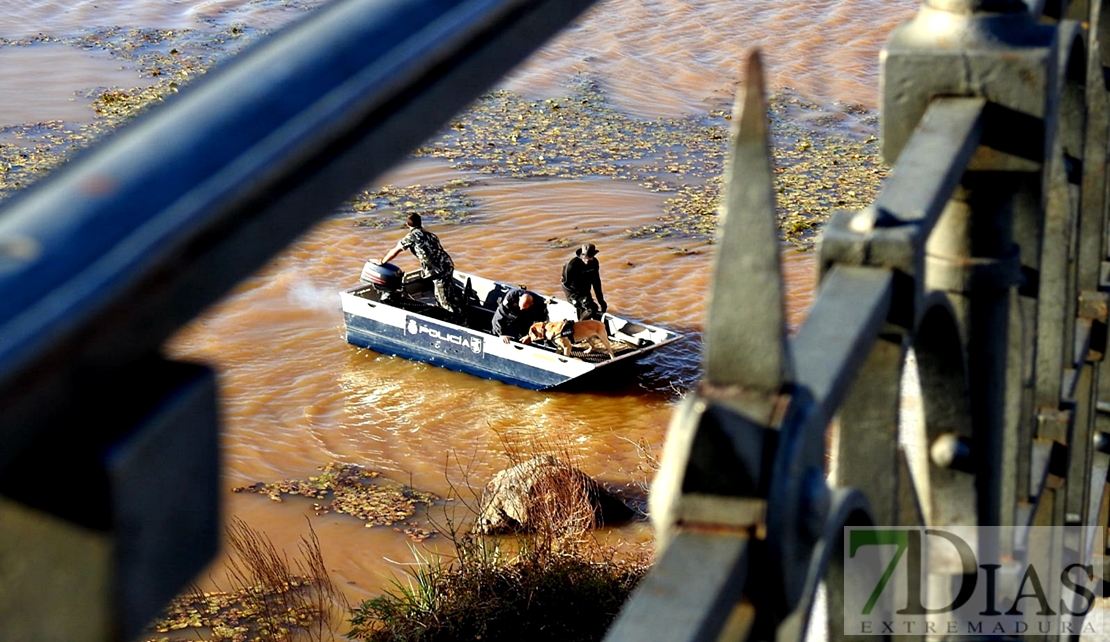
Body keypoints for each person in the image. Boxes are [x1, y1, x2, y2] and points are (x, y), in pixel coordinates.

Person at [380, 213, 460, 315]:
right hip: (447, 265)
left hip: (437, 271)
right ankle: (452, 312)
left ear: (407, 224)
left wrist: (382, 261)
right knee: (446, 294)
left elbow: (396, 250)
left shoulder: (411, 237)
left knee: (444, 301)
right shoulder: (431, 235)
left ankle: (457, 320)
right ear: (420, 222)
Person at [561, 243, 607, 321]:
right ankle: (579, 325)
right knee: (591, 309)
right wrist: (575, 298)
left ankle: (586, 323)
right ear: (581, 256)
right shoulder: (571, 265)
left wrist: (601, 300)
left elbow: (596, 282)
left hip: (586, 292)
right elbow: (565, 285)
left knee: (594, 307)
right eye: (585, 258)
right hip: (573, 293)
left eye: (589, 258)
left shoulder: (594, 263)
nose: (586, 261)